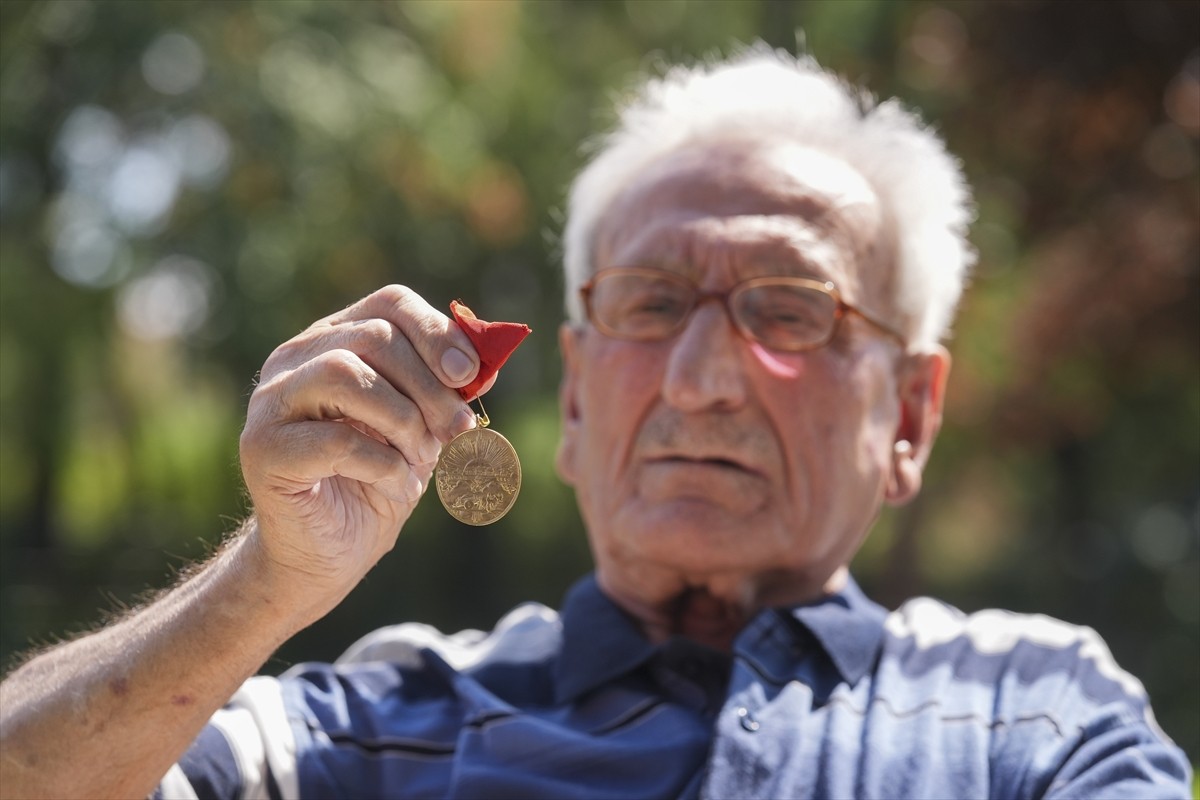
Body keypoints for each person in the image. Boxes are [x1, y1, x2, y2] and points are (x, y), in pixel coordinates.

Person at [0, 47, 1191, 800]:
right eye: (650, 302)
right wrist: (264, 580)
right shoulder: (369, 724)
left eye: (788, 307)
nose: (700, 375)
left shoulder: (1037, 709)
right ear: (570, 398)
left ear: (912, 414)